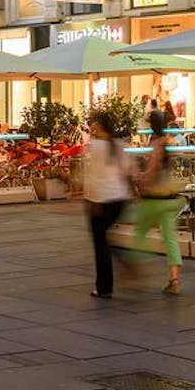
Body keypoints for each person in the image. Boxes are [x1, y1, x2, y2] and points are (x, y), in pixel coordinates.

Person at [133, 112, 184, 295]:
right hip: (170, 197)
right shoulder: (169, 141)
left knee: (139, 234)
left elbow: (153, 170)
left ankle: (133, 270)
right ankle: (174, 278)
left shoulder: (156, 144)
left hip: (154, 198)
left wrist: (140, 179)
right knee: (170, 239)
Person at [83, 111, 132, 299]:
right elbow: (128, 171)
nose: (92, 128)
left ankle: (104, 287)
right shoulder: (119, 145)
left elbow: (92, 176)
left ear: (100, 126)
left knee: (100, 244)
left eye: (94, 125)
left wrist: (92, 200)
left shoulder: (94, 147)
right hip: (120, 199)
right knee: (105, 239)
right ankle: (122, 257)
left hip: (101, 201)